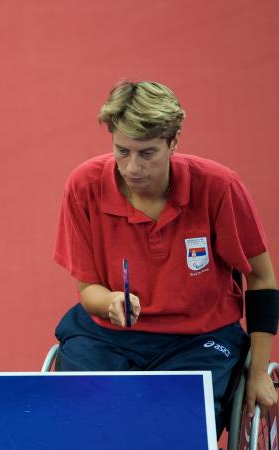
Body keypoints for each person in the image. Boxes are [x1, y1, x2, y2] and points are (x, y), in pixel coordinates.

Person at [53, 80, 278, 434]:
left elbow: (262, 278)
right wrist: (110, 302)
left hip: (198, 339)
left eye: (146, 153)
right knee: (84, 425)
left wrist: (258, 373)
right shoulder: (84, 186)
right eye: (122, 151)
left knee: (173, 432)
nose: (132, 169)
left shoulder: (219, 187)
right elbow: (88, 289)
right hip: (108, 337)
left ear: (173, 142)